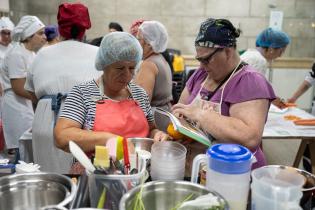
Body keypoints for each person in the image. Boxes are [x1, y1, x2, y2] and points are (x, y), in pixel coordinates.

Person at [173, 18, 276, 173]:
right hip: (201, 168)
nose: (201, 65)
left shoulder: (249, 81)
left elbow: (250, 137)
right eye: (199, 59)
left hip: (235, 173)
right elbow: (181, 113)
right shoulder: (200, 75)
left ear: (227, 51)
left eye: (206, 59)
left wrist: (201, 115)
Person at [54, 32, 168, 158]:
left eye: (131, 68)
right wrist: (108, 139)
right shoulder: (83, 93)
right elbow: (62, 137)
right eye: (120, 68)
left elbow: (151, 129)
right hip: (96, 171)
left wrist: (157, 134)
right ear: (104, 65)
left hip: (137, 169)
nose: (127, 75)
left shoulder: (139, 94)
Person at [24, 2, 102, 173]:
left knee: (50, 179)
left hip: (47, 121)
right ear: (85, 28)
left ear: (61, 28)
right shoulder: (97, 53)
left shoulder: (42, 54)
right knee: (84, 177)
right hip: (85, 124)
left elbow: (31, 92)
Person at [1, 15, 46, 160]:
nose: (44, 37)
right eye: (40, 33)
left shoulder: (31, 53)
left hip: (26, 104)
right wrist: (42, 98)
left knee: (29, 146)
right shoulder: (16, 53)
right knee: (20, 148)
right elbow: (18, 87)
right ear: (29, 35)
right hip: (15, 107)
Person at [135, 21, 173, 132]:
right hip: (164, 118)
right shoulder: (160, 59)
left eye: (138, 39)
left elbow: (140, 104)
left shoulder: (149, 64)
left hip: (155, 124)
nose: (136, 43)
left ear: (149, 43)